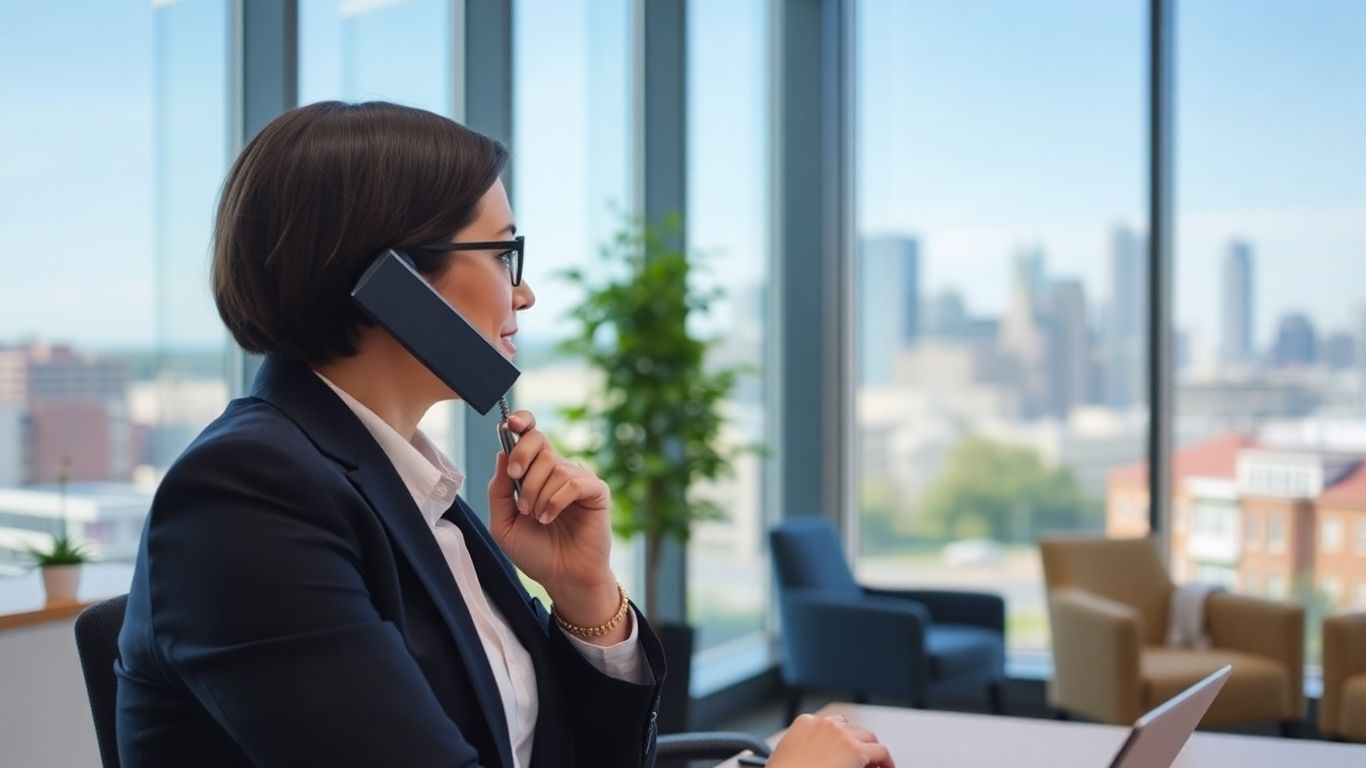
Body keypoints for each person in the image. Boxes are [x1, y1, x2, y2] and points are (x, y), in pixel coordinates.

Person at [114, 100, 892, 768]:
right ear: (392, 281)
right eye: (501, 253)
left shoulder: (410, 486)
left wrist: (584, 594)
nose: (524, 293)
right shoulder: (246, 498)